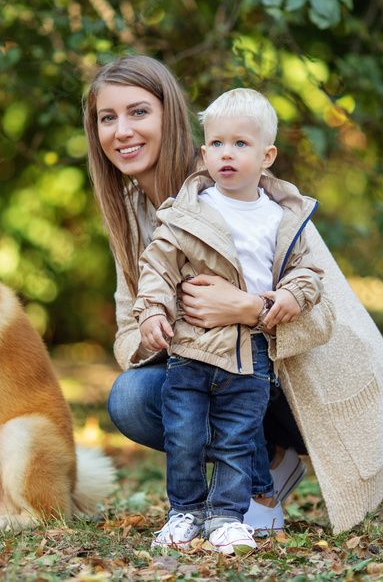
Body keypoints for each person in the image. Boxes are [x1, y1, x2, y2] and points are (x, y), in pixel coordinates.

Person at [83, 55, 383, 539]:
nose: (122, 130)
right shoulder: (128, 211)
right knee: (132, 397)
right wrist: (166, 328)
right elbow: (129, 330)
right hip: (220, 367)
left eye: (139, 112)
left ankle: (260, 485)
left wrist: (245, 308)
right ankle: (263, 466)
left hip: (311, 383)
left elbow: (323, 316)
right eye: (108, 118)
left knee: (215, 370)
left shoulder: (238, 179)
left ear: (171, 116)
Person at [133, 88, 325, 553]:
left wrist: (291, 297)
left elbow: (308, 271)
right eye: (217, 144)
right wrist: (152, 312)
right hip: (191, 349)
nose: (227, 154)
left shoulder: (282, 217)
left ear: (267, 156)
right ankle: (184, 512)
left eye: (241, 144)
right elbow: (157, 267)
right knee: (185, 438)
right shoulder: (189, 212)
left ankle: (226, 517)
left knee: (238, 438)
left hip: (251, 354)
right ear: (204, 152)